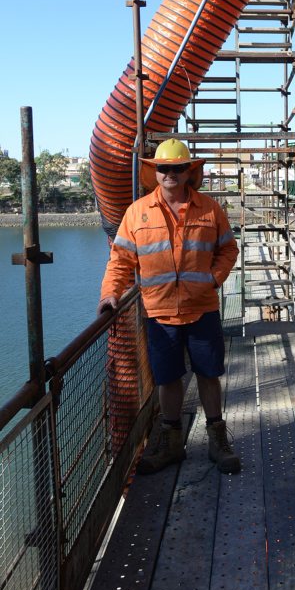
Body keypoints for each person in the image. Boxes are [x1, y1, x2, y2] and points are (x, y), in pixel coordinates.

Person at [97, 138, 240, 475]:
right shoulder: (137, 212)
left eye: (177, 168)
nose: (170, 174)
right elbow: (119, 260)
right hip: (159, 313)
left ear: (189, 172)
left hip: (201, 308)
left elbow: (228, 251)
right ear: (154, 172)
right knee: (168, 379)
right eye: (163, 168)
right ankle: (172, 444)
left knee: (209, 374)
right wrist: (109, 294)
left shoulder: (210, 209)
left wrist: (213, 279)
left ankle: (217, 440)